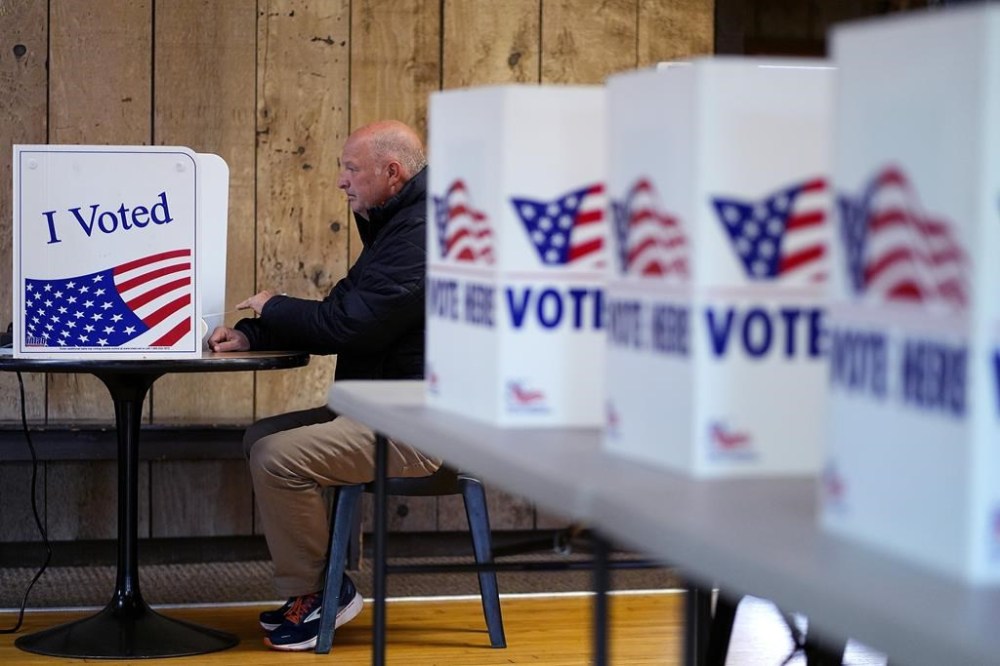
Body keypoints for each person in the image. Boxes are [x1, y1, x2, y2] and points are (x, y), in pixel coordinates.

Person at [208, 119, 441, 651]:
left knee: (276, 455)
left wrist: (271, 305)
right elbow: (346, 308)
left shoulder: (422, 235)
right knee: (260, 436)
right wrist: (252, 333)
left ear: (392, 172)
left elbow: (348, 325)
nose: (341, 180)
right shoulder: (400, 227)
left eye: (351, 168)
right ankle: (322, 583)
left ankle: (320, 594)